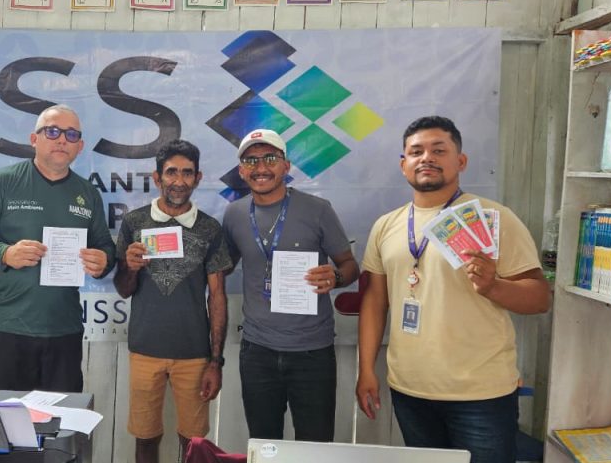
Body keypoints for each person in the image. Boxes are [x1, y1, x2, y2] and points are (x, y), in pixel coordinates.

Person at [355, 116, 550, 463]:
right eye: (416, 151)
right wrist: (366, 369)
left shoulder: (494, 217)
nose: (426, 158)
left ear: (461, 161)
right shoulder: (386, 225)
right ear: (403, 164)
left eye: (439, 150)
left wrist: (494, 286)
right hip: (410, 390)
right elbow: (374, 301)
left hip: (481, 394)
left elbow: (539, 297)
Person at [0, 104, 115, 393]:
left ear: (80, 146)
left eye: (71, 134)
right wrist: (4, 253)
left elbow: (105, 246)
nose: (62, 139)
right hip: (9, 328)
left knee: (61, 417)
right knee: (5, 417)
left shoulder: (87, 193)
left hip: (64, 331)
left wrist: (104, 260)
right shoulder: (5, 181)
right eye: (52, 131)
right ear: (34, 139)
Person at [222, 128, 360, 441]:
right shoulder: (234, 214)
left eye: (270, 158)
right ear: (241, 171)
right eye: (251, 160)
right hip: (257, 352)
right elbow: (223, 265)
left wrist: (336, 277)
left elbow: (350, 267)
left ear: (286, 166)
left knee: (314, 447)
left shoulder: (318, 210)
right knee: (264, 445)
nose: (261, 167)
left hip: (312, 353)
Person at [114, 140, 232, 463]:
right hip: (144, 349)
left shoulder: (210, 228)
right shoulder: (134, 223)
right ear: (157, 177)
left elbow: (217, 297)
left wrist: (215, 361)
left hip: (194, 354)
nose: (179, 181)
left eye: (187, 173)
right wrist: (130, 268)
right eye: (171, 172)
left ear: (198, 178)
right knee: (145, 439)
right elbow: (123, 288)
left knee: (193, 443)